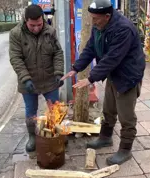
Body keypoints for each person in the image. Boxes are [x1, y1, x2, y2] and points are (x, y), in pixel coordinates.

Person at [61, 0, 145, 165]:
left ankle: (125, 150)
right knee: (108, 109)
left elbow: (112, 58)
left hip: (128, 76)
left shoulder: (123, 29)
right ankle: (105, 138)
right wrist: (76, 68)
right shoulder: (99, 26)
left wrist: (91, 78)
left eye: (95, 19)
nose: (93, 22)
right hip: (113, 74)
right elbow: (90, 48)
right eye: (91, 18)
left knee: (126, 116)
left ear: (107, 16)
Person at [9, 4, 64, 155]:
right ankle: (32, 137)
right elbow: (16, 58)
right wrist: (26, 79)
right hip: (28, 80)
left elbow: (58, 53)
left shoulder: (50, 31)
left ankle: (55, 133)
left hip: (49, 78)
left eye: (39, 24)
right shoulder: (15, 34)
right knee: (31, 112)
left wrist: (58, 73)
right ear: (26, 20)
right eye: (32, 25)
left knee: (55, 109)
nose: (36, 28)